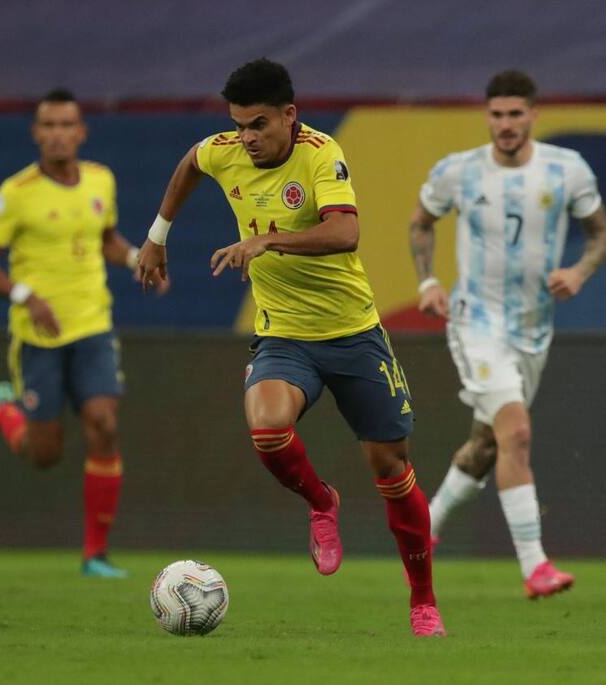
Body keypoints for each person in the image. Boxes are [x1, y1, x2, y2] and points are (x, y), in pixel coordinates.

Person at [136, 58, 444, 636]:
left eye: (259, 125)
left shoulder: (322, 154)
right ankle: (322, 501)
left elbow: (346, 232)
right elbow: (189, 165)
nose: (247, 138)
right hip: (284, 334)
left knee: (392, 468)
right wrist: (157, 237)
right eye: (239, 125)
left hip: (353, 332)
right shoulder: (224, 149)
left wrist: (268, 240)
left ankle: (422, 600)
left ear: (289, 116)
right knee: (267, 428)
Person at [410, 70, 606, 598]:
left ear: (533, 116)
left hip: (532, 330)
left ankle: (423, 525)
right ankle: (536, 565)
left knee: (487, 444)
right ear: (487, 116)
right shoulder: (460, 172)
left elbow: (599, 233)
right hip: (475, 322)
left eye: (516, 114)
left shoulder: (567, 171)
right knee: (516, 432)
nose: (506, 124)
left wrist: (580, 272)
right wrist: (427, 281)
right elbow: (421, 222)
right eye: (497, 114)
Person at [0, 89, 162, 578]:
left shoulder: (101, 179)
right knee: (44, 454)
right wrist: (26, 296)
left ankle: (95, 555)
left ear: (81, 132)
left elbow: (105, 240)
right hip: (38, 338)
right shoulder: (16, 193)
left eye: (65, 124)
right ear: (36, 134)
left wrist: (139, 259)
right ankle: (2, 408)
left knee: (104, 424)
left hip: (93, 325)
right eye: (47, 125)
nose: (57, 133)